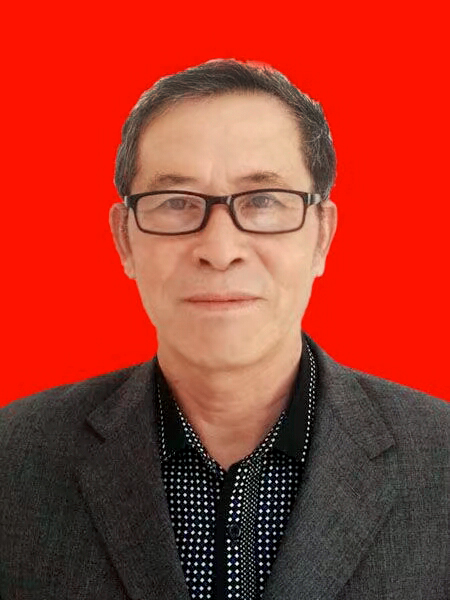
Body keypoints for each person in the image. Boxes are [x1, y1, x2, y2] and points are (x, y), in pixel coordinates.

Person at [0, 59, 448, 600]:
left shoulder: (440, 456)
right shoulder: (14, 456)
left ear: (322, 235)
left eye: (263, 201)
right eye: (176, 203)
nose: (219, 249)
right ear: (124, 239)